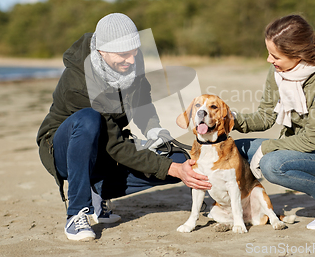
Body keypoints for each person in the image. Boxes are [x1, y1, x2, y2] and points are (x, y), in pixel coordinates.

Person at [37, 13, 211, 241]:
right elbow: (115, 145)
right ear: (102, 51)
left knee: (178, 160)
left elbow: (142, 100)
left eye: (134, 51)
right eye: (123, 54)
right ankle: (76, 213)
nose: (131, 59)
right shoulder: (77, 84)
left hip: (107, 146)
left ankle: (98, 190)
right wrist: (173, 170)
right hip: (65, 147)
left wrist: (153, 130)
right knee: (89, 119)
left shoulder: (132, 60)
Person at [233, 14, 315, 230]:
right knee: (238, 149)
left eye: (274, 55)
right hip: (302, 151)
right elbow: (266, 116)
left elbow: (310, 142)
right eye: (269, 53)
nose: (269, 60)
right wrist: (233, 119)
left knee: (272, 165)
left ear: (298, 54)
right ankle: (241, 203)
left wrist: (267, 148)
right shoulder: (278, 72)